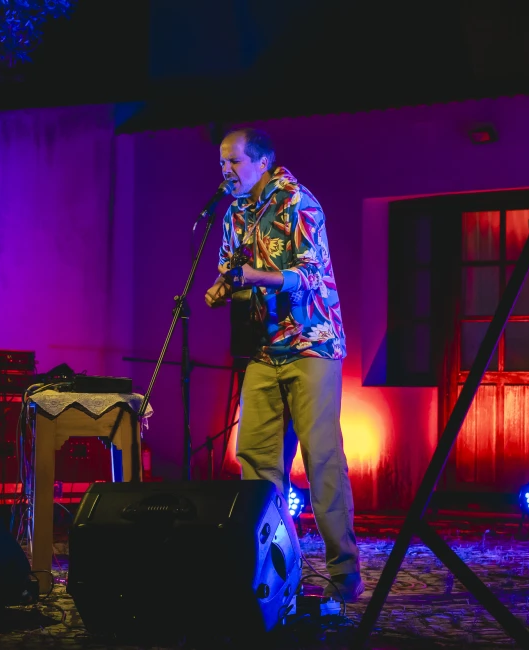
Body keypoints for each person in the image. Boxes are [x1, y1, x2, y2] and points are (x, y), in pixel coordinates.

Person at [204, 128, 364, 602]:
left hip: (310, 343)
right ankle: (276, 573)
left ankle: (345, 572)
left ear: (263, 162)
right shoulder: (234, 212)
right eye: (222, 163)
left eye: (234, 161)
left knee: (321, 456)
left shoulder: (298, 202)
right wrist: (223, 286)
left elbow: (311, 274)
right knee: (255, 459)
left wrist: (257, 276)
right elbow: (230, 267)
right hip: (262, 349)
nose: (226, 171)